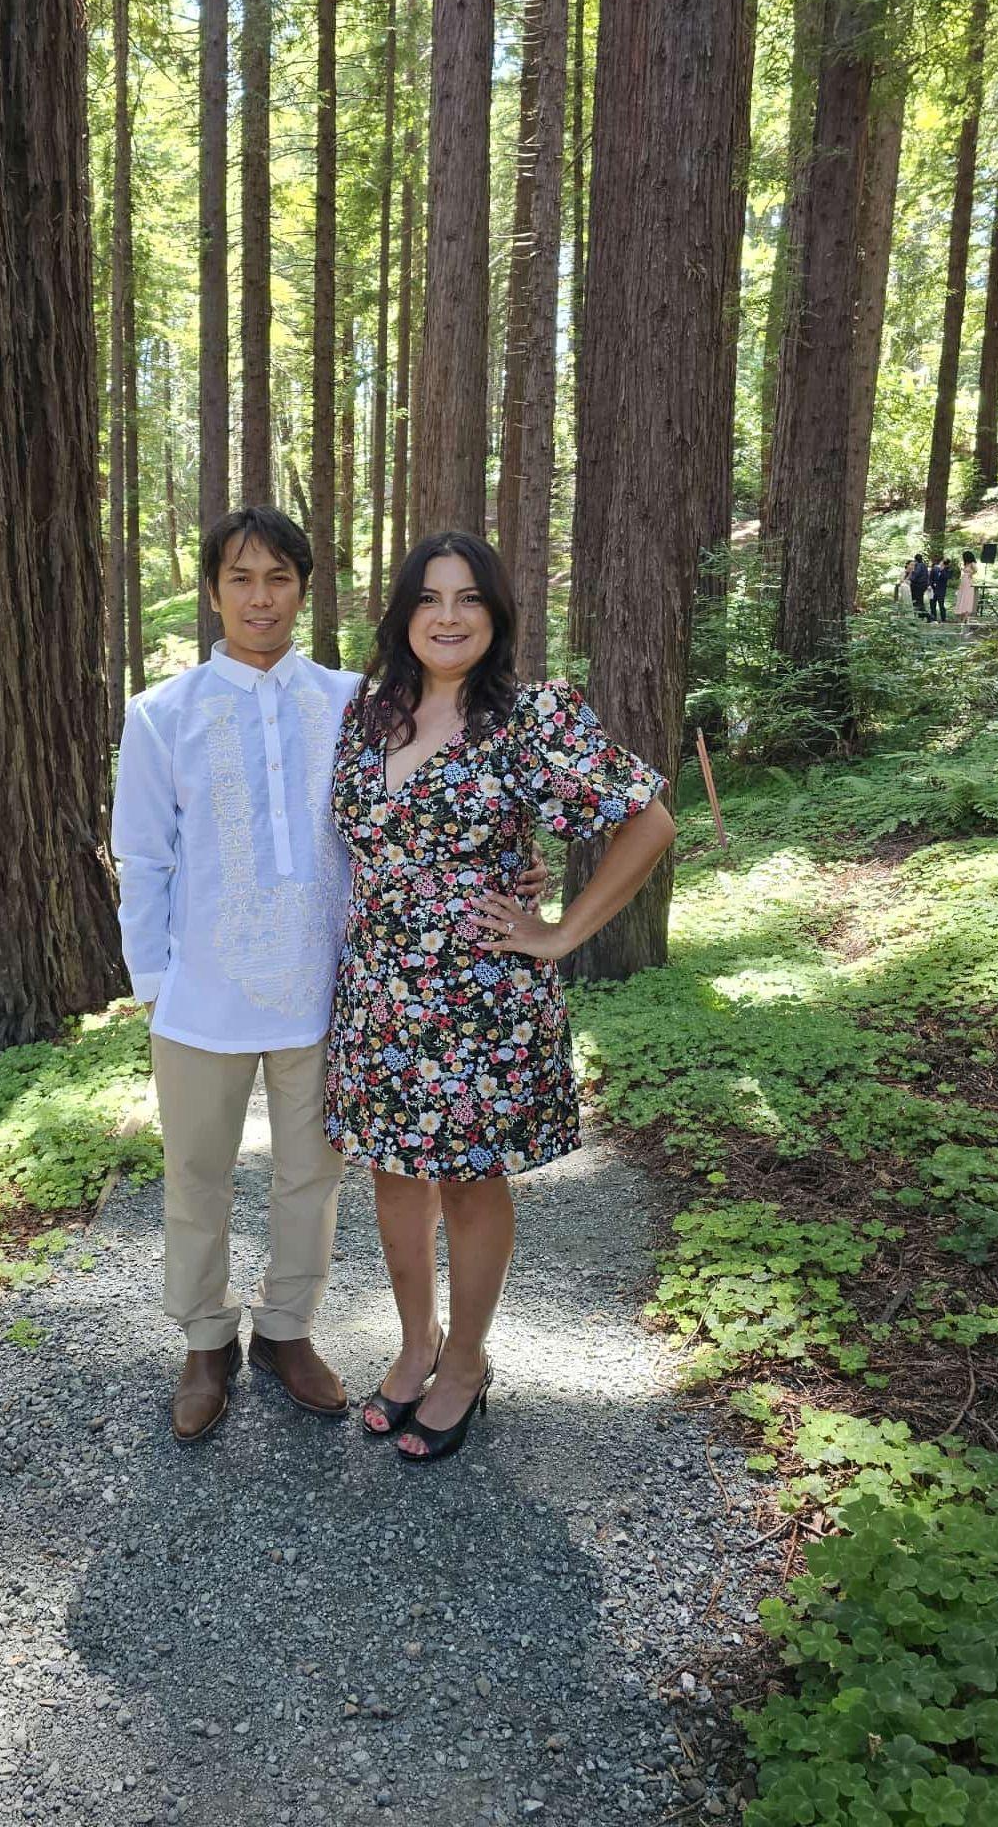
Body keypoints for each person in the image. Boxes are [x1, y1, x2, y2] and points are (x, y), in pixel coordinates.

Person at [111, 507, 549, 1443]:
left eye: (278, 578)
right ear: (214, 592)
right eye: (240, 579)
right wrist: (155, 981)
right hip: (202, 992)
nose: (260, 598)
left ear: (304, 589)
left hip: (329, 987)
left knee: (312, 1176)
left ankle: (286, 1330)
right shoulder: (162, 715)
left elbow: (420, 814)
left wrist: (514, 867)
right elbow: (142, 858)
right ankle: (203, 1340)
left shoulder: (357, 702)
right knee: (196, 1174)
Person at [325, 533, 677, 1464]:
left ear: (497, 615)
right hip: (378, 996)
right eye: (431, 598)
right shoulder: (370, 714)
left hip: (480, 998)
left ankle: (467, 1363)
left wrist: (560, 932)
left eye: (470, 599)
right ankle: (416, 1346)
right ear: (403, 613)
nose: (449, 616)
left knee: (468, 1182)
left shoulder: (531, 720)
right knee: (393, 1178)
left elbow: (649, 820)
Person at [952, 547, 979, 622]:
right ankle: (961, 615)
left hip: (968, 581)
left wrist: (971, 574)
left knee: (967, 598)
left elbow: (976, 570)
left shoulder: (972, 563)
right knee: (962, 597)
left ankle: (965, 617)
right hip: (963, 580)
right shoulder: (966, 564)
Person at [927, 555, 950, 622]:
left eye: (944, 563)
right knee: (932, 605)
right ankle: (933, 618)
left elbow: (946, 578)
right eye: (942, 562)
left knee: (941, 605)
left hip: (941, 590)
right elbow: (930, 578)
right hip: (933, 589)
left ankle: (943, 619)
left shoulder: (947, 570)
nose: (942, 563)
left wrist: (943, 570)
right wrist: (929, 585)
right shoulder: (934, 569)